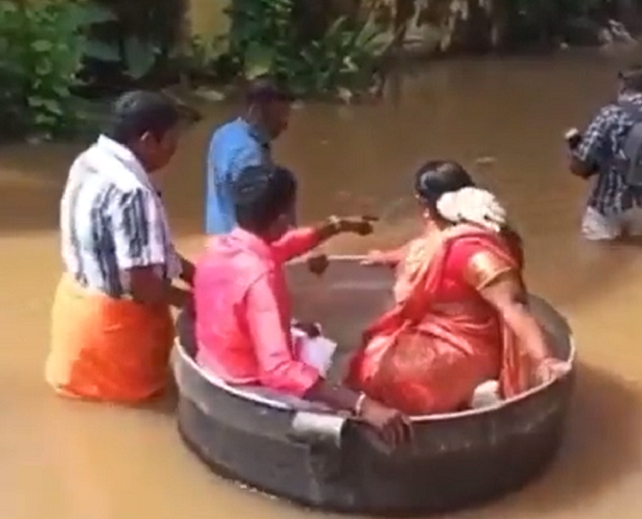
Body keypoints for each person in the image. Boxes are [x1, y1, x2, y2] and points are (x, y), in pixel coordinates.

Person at [192, 164, 411, 445]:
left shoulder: (220, 248)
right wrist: (363, 405)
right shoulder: (261, 275)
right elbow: (278, 370)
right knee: (351, 411)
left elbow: (286, 246)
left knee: (311, 335)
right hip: (248, 390)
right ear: (284, 218)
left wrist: (338, 225)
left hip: (213, 367)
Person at [349, 160, 570, 416]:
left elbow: (513, 308)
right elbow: (418, 248)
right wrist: (387, 257)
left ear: (427, 206)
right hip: (438, 330)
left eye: (420, 203)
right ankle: (468, 394)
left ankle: (475, 391)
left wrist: (545, 360)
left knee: (397, 379)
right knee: (374, 356)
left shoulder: (477, 254)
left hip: (472, 341)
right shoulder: (446, 238)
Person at [47, 90, 196, 404]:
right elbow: (143, 286)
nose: (175, 151)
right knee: (146, 412)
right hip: (116, 336)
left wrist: (200, 277)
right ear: (147, 140)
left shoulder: (89, 161)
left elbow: (148, 250)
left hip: (76, 316)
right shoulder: (133, 192)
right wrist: (197, 305)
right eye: (172, 140)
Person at [569, 64, 642, 241]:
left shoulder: (610, 114)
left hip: (609, 206)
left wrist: (574, 147)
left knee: (595, 257)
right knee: (637, 256)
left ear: (623, 87)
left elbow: (581, 164)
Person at [205, 77, 294, 235]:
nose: (285, 124)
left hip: (216, 236)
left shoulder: (224, 133)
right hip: (239, 249)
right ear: (256, 111)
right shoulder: (249, 156)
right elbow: (254, 220)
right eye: (280, 115)